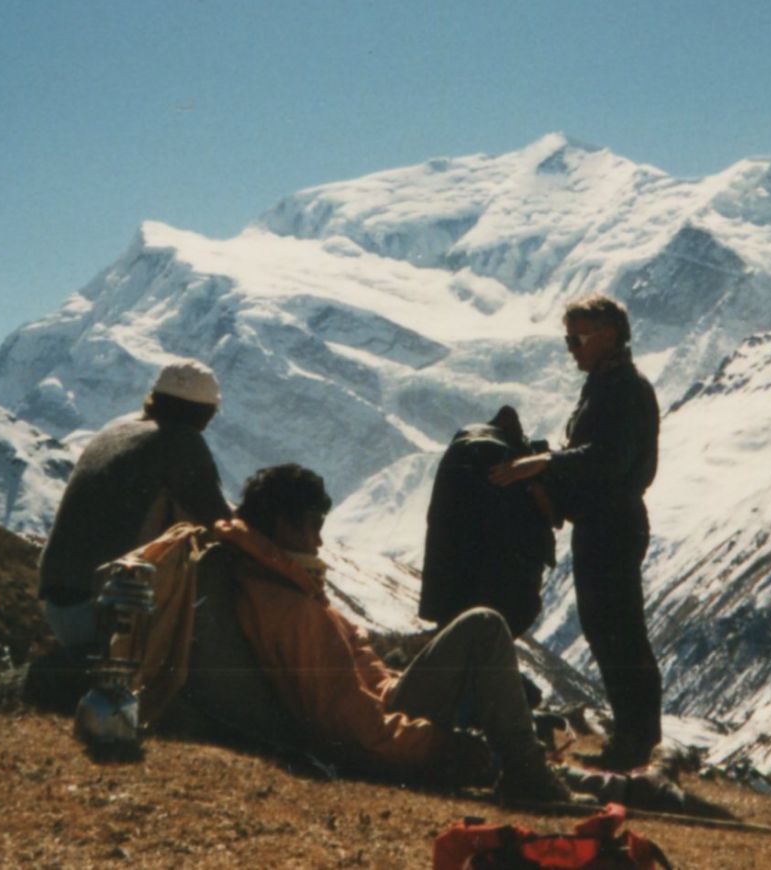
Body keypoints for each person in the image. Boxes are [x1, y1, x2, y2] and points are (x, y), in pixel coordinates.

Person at [215, 463, 575, 802]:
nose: (318, 543)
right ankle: (528, 773)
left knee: (482, 634)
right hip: (374, 748)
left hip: (383, 724)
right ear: (283, 527)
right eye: (313, 526)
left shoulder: (280, 585)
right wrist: (443, 746)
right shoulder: (292, 610)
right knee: (484, 626)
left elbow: (362, 691)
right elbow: (356, 728)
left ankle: (530, 763)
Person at [489, 294, 663, 770]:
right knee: (609, 628)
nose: (571, 349)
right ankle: (633, 737)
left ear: (608, 335)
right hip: (603, 522)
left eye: (577, 338)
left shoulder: (624, 389)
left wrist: (547, 462)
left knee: (618, 630)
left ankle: (636, 741)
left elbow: (609, 460)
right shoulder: (606, 385)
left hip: (613, 523)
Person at [37, 360, 233, 649]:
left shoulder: (113, 431)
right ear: (206, 413)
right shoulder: (181, 440)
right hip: (109, 603)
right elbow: (218, 524)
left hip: (58, 600)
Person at [418, 405, 555, 637]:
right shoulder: (518, 466)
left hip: (450, 587)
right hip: (504, 588)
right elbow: (551, 515)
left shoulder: (463, 452)